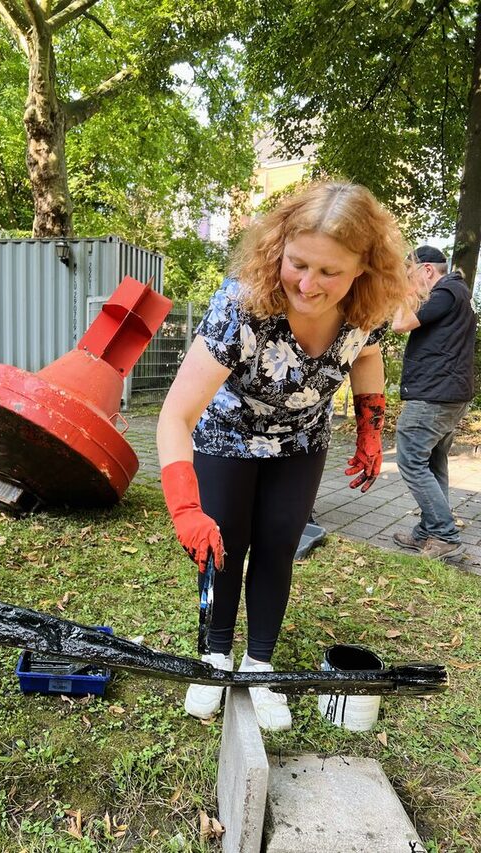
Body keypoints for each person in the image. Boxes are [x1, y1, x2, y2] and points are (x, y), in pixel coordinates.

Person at [157, 181, 410, 730]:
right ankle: (215, 657)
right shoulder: (241, 305)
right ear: (279, 249)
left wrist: (371, 431)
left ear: (363, 268)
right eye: (298, 264)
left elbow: (366, 359)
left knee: (278, 545)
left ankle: (259, 665)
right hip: (228, 434)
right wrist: (183, 507)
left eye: (330, 272)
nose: (308, 284)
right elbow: (174, 416)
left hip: (301, 441)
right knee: (223, 544)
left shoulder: (367, 309)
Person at [391, 245, 476, 560]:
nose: (410, 283)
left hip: (433, 396)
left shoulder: (444, 292)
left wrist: (402, 291)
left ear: (427, 270)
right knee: (433, 463)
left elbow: (399, 323)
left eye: (411, 275)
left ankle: (444, 535)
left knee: (412, 460)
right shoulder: (458, 294)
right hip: (450, 395)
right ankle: (428, 531)